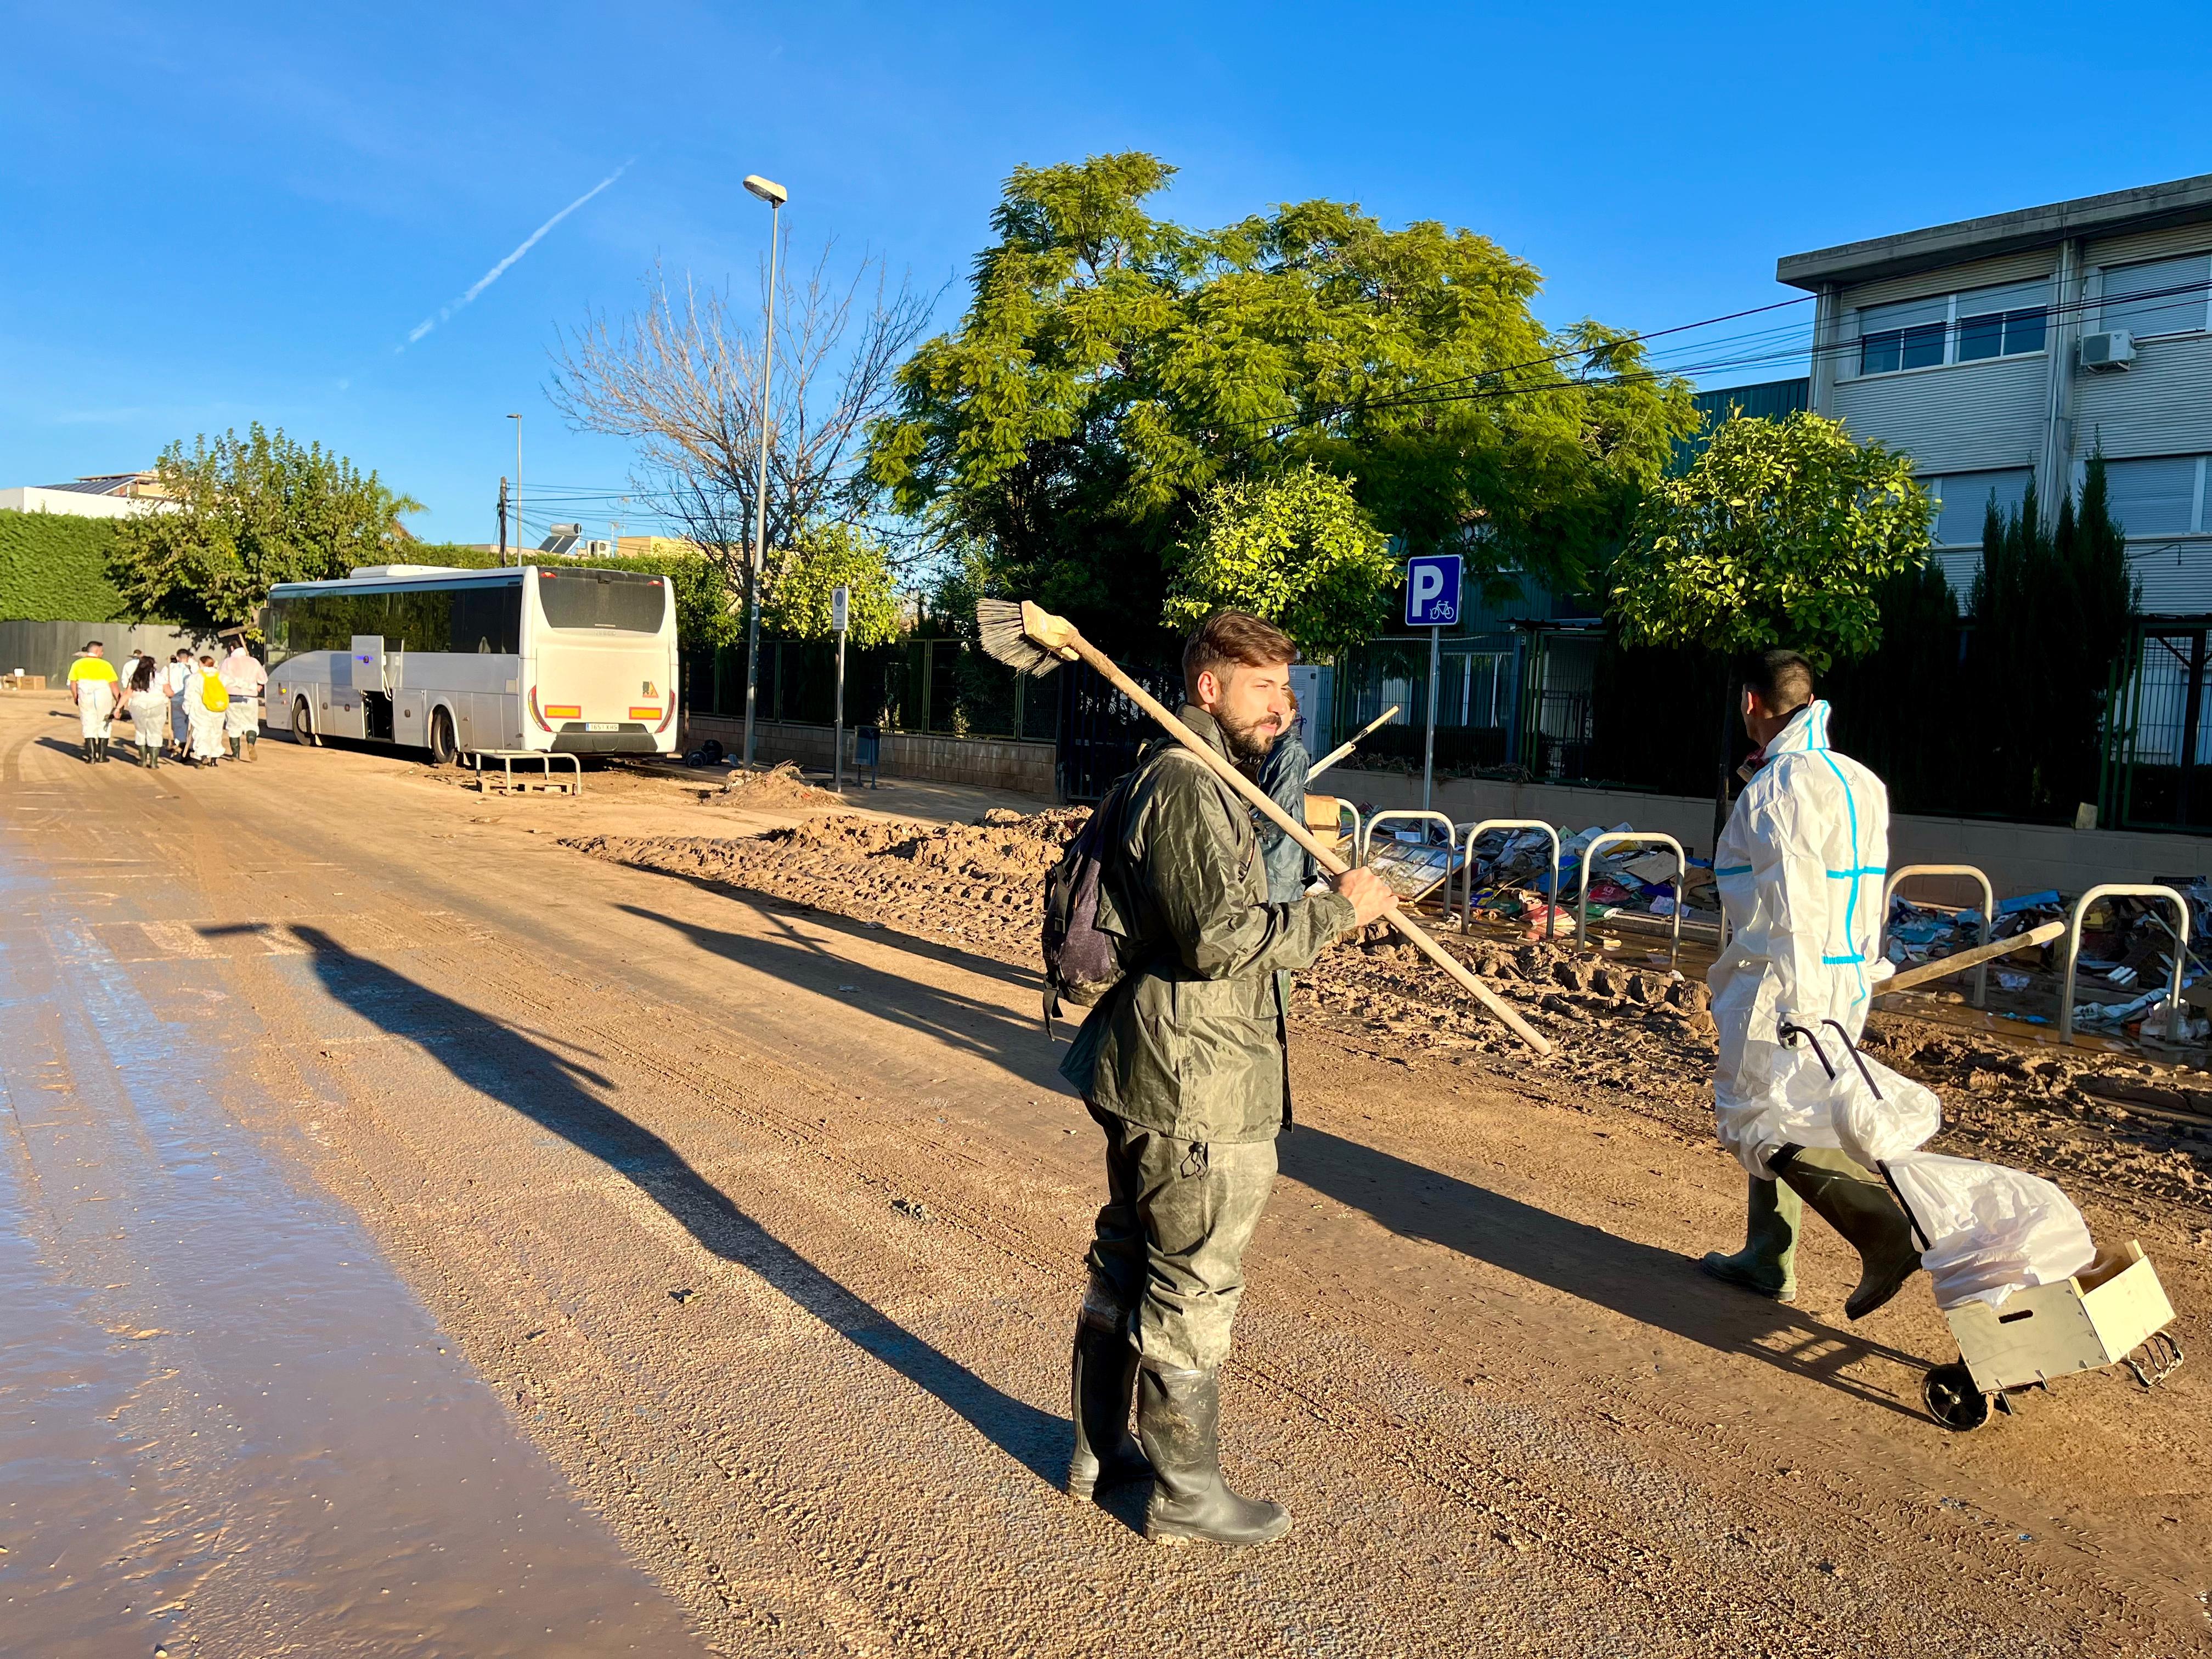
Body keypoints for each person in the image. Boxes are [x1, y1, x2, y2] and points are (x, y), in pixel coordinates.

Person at [1060, 611, 1392, 1547]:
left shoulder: (1193, 776)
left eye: (1288, 690)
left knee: (1127, 1257)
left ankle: (1099, 1451)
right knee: (1191, 1279)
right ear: (1207, 687)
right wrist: (1335, 911)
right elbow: (1221, 939)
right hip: (1195, 1076)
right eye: (1262, 687)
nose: (1282, 707)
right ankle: (1185, 1490)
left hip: (1161, 1063)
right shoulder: (1186, 782)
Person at [1697, 650, 1921, 1321]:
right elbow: (1867, 887)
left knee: (1757, 1116)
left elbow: (1793, 904)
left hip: (1782, 981)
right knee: (1793, 1109)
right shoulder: (1860, 781)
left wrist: (1798, 1002)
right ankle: (1768, 1253)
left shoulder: (1780, 788)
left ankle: (1882, 1232)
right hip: (1844, 975)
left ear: (1750, 704)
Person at [1252, 689, 1316, 905]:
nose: (1275, 717)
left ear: (1292, 713)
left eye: (1283, 711)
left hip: (1280, 856)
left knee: (1275, 918)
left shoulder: (1291, 752)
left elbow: (1276, 809)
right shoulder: (1268, 748)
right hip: (1267, 852)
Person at [217, 632, 267, 761]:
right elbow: (264, 679)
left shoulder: (227, 662)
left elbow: (221, 679)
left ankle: (235, 755)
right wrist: (259, 686)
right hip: (250, 698)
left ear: (232, 649)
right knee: (251, 724)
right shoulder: (254, 661)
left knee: (234, 726)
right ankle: (251, 743)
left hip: (232, 697)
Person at [67, 641, 119, 763]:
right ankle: (102, 756)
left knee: (88, 723)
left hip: (85, 695)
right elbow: (113, 685)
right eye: (101, 651)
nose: (103, 653)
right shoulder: (106, 665)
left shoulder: (77, 664)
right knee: (104, 723)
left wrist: (76, 697)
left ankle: (91, 757)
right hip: (104, 696)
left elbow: (73, 683)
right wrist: (119, 701)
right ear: (96, 651)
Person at [123, 653, 168, 768]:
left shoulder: (135, 677)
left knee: (141, 732)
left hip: (138, 706)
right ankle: (154, 762)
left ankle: (143, 761)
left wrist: (118, 708)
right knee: (155, 733)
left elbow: (128, 693)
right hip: (157, 706)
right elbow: (170, 692)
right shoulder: (159, 677)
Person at [184, 653, 229, 767]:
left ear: (202, 664)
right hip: (219, 709)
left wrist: (187, 708)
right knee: (216, 733)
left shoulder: (195, 677)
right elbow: (233, 683)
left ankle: (204, 756)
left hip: (201, 709)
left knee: (202, 733)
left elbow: (189, 695)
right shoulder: (221, 676)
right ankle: (214, 760)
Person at [162, 650, 194, 756]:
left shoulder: (169, 669)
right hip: (187, 698)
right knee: (188, 722)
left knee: (178, 722)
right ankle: (186, 744)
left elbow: (163, 682)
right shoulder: (190, 669)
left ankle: (181, 744)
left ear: (177, 657)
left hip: (174, 699)